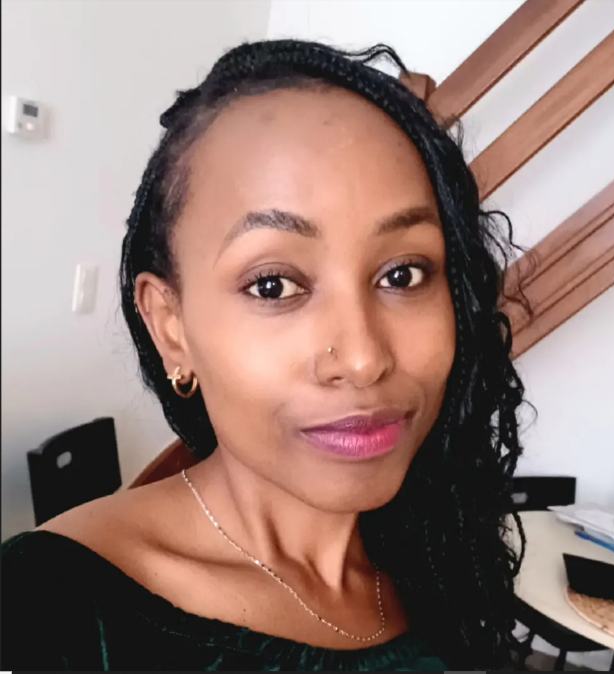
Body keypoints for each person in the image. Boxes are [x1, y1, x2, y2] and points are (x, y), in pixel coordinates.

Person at [1, 39, 527, 671]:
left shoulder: (440, 547)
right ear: (171, 327)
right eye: (273, 285)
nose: (363, 359)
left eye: (403, 274)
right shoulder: (45, 610)